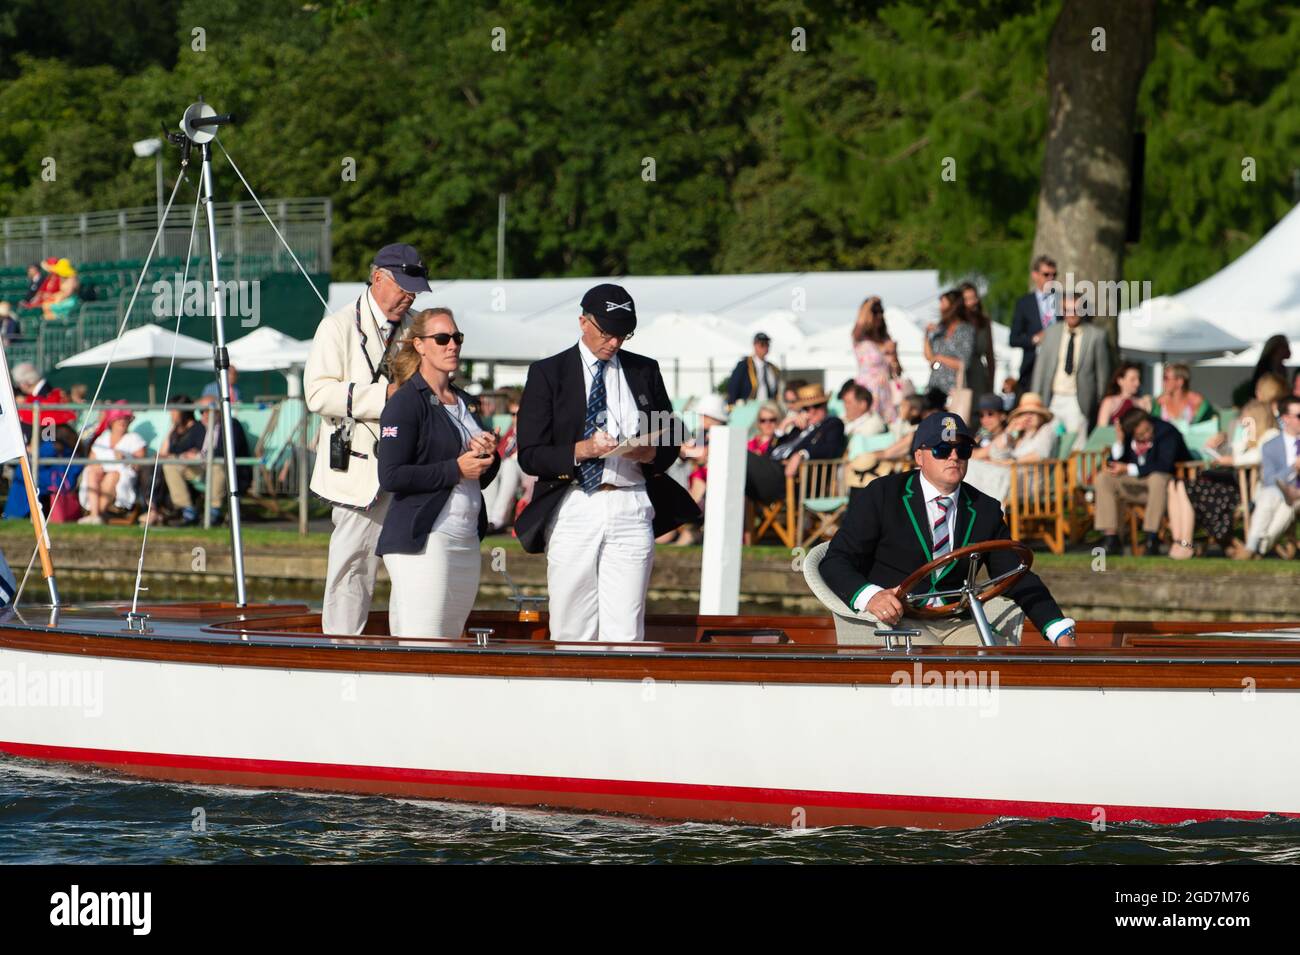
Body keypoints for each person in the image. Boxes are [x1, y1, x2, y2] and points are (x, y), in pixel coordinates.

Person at [515, 284, 698, 642]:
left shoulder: (645, 369)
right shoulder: (548, 373)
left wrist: (650, 453)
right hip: (574, 503)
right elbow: (531, 454)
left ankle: (624, 693)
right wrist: (582, 449)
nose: (614, 342)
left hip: (631, 502)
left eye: (623, 334)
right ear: (583, 322)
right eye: (607, 332)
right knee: (571, 624)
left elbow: (670, 436)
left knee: (627, 628)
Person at [817, 412, 1076, 646]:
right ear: (919, 456)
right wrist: (872, 597)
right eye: (942, 449)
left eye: (963, 449)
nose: (954, 456)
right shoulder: (883, 494)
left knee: (1001, 663)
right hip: (895, 619)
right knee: (934, 665)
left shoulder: (985, 509)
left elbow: (1015, 574)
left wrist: (1058, 629)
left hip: (956, 621)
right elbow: (836, 561)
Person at [305, 242, 430, 635]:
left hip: (407, 466)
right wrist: (386, 397)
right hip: (358, 472)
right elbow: (317, 395)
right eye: (403, 287)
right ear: (378, 278)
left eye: (414, 289)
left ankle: (413, 648)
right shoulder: (337, 326)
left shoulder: (416, 328)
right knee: (352, 567)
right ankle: (340, 649)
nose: (409, 296)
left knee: (413, 566)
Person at [376, 308, 499, 638]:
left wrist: (487, 453)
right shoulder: (405, 402)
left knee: (453, 638)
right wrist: (455, 469)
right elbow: (391, 475)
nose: (452, 346)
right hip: (424, 538)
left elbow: (481, 474)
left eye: (456, 338)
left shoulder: (466, 402)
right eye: (442, 339)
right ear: (419, 345)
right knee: (425, 640)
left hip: (466, 534)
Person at [1167, 398, 1278, 559]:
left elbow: (1260, 456)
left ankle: (1186, 544)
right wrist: (1221, 444)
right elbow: (1236, 450)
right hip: (1230, 485)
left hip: (1245, 490)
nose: (1243, 426)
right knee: (1174, 484)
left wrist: (1232, 460)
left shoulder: (1270, 436)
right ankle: (1180, 542)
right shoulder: (1250, 438)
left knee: (1185, 487)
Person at [1094, 407, 1192, 556]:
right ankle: (1111, 538)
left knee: (1157, 479)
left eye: (1148, 429)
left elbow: (1165, 465)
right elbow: (1113, 464)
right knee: (1103, 478)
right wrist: (1119, 442)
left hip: (1167, 490)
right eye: (1141, 434)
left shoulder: (1167, 432)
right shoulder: (1128, 436)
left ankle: (1151, 539)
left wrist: (1129, 468)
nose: (1147, 435)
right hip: (1136, 485)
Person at [1030, 292, 1111, 448]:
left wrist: (1096, 400)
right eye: (1067, 310)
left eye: (1076, 309)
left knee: (1077, 445)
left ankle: (1076, 473)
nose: (1071, 314)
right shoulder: (1052, 332)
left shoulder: (1096, 336)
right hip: (1052, 398)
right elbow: (1041, 369)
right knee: (1048, 443)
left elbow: (1103, 373)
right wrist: (1036, 398)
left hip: (1078, 399)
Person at [745, 383, 846, 504]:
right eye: (807, 408)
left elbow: (831, 449)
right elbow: (770, 451)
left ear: (825, 405)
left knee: (742, 458)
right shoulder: (799, 428)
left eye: (817, 406)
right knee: (739, 465)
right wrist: (784, 424)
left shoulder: (832, 424)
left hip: (792, 478)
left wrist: (802, 454)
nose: (812, 411)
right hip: (771, 471)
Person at [1235, 395, 1300, 560]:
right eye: (1299, 416)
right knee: (1271, 497)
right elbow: (1270, 479)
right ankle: (1256, 547)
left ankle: (1257, 547)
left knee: (1288, 502)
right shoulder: (1271, 445)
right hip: (1276, 490)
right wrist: (1293, 468)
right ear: (1286, 418)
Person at [963, 393, 1059, 502]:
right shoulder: (1021, 436)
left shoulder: (1046, 430)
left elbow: (1040, 455)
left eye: (1032, 413)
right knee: (970, 465)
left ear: (1041, 415)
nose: (1028, 417)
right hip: (1013, 476)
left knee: (973, 468)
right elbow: (997, 451)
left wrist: (1011, 462)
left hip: (1028, 480)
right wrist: (1010, 430)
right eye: (1024, 413)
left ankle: (982, 509)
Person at [665, 392, 729, 546]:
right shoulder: (701, 433)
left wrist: (687, 451)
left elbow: (702, 455)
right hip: (692, 483)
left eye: (706, 416)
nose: (703, 419)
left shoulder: (722, 435)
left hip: (710, 487)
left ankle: (687, 522)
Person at [78, 405, 146, 524]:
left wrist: (126, 458)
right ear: (112, 421)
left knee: (113, 475)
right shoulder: (103, 438)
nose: (123, 421)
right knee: (92, 472)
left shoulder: (134, 439)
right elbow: (91, 460)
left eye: (125, 418)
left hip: (120, 475)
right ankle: (95, 515)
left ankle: (96, 514)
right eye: (119, 418)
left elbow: (140, 464)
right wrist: (96, 466)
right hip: (100, 473)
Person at [157, 394, 209, 526]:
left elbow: (200, 453)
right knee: (157, 465)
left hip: (196, 469)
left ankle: (186, 509)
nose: (171, 414)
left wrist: (179, 456)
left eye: (174, 410)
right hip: (180, 467)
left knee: (169, 465)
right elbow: (163, 453)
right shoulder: (175, 430)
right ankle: (156, 508)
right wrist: (172, 429)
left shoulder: (198, 429)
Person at [1009, 254, 1058, 390]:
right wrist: (1035, 339)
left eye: (1054, 275)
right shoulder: (1024, 303)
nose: (1051, 279)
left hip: (1059, 363)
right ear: (1035, 275)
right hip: (1032, 366)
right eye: (1046, 274)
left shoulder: (1064, 301)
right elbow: (1013, 339)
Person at [852, 297, 900, 425]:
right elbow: (860, 323)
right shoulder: (860, 337)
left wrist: (893, 354)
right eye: (875, 312)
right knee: (870, 425)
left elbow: (897, 371)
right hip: (867, 391)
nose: (879, 315)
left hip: (886, 392)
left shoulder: (886, 338)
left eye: (881, 311)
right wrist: (869, 304)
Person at [481, 387, 524, 532]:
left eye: (518, 414)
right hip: (510, 466)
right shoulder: (511, 431)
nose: (515, 418)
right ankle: (487, 519)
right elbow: (500, 452)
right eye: (513, 414)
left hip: (527, 471)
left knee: (509, 466)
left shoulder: (532, 429)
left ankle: (497, 520)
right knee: (492, 465)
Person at [923, 290, 974, 403]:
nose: (940, 308)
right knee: (934, 420)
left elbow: (964, 363)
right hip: (934, 388)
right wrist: (926, 335)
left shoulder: (965, 330)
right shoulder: (940, 329)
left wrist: (940, 358)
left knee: (948, 421)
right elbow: (929, 357)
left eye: (943, 304)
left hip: (953, 390)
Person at [959, 282, 996, 397]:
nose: (972, 302)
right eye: (967, 299)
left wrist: (991, 381)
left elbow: (990, 354)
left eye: (974, 298)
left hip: (978, 375)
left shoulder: (984, 322)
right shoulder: (956, 323)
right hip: (958, 373)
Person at [726, 332, 780, 405]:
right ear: (754, 345)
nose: (765, 347)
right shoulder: (744, 365)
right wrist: (732, 404)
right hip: (749, 406)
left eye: (767, 344)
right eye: (762, 344)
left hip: (768, 406)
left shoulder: (772, 368)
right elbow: (733, 386)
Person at [1096, 363, 1151, 428]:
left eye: (1138, 379)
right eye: (1132, 379)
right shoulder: (1109, 402)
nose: (1137, 383)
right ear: (1120, 381)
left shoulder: (1141, 402)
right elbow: (1101, 430)